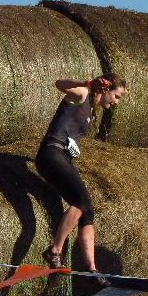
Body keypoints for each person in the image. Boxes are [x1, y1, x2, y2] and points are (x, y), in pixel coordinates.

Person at [36, 73, 126, 279]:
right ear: (106, 89)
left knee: (87, 210)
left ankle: (92, 269)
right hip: (52, 153)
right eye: (117, 96)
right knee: (82, 200)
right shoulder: (82, 94)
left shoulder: (92, 110)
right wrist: (88, 83)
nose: (117, 102)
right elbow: (59, 83)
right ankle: (55, 250)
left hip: (63, 158)